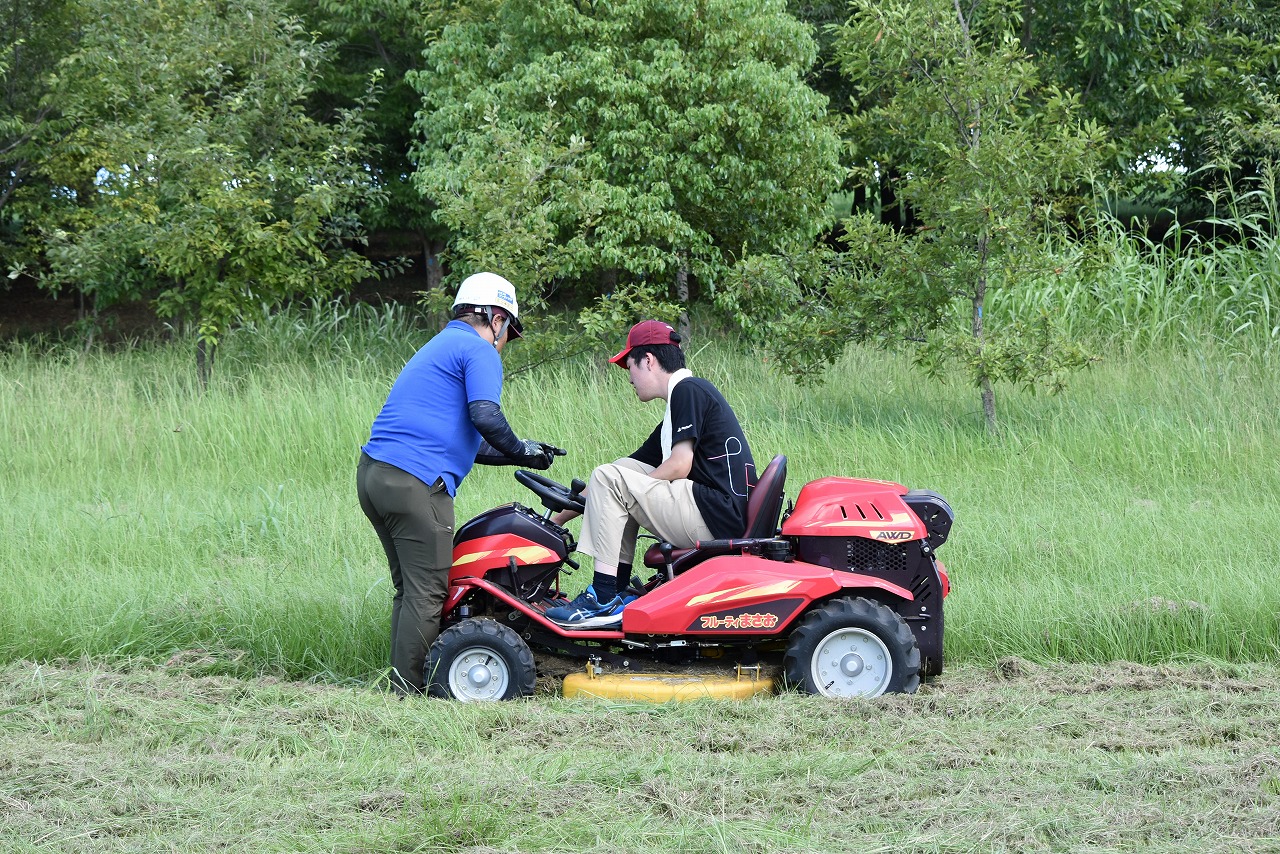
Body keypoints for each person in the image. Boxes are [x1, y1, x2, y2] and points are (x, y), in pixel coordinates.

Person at [357, 272, 557, 694]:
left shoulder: (440, 345)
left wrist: (527, 452)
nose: (505, 341)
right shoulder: (478, 349)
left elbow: (470, 442)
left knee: (409, 590)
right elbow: (486, 416)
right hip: (415, 484)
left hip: (375, 476)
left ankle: (399, 685)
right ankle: (414, 693)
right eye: (510, 332)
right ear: (497, 318)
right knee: (429, 593)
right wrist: (521, 450)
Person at [546, 320, 756, 628]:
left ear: (648, 360)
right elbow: (623, 471)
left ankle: (602, 597)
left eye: (629, 365)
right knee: (619, 470)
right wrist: (557, 518)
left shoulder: (689, 390)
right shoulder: (679, 405)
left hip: (714, 515)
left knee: (612, 479)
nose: (628, 377)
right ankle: (615, 590)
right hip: (708, 510)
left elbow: (680, 464)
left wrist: (631, 488)